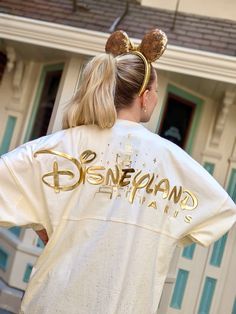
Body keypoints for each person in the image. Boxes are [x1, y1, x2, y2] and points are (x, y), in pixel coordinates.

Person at [0, 29, 235, 314]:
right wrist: (160, 225)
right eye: (157, 93)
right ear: (145, 97)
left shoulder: (57, 148)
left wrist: (41, 217)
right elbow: (222, 211)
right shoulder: (172, 162)